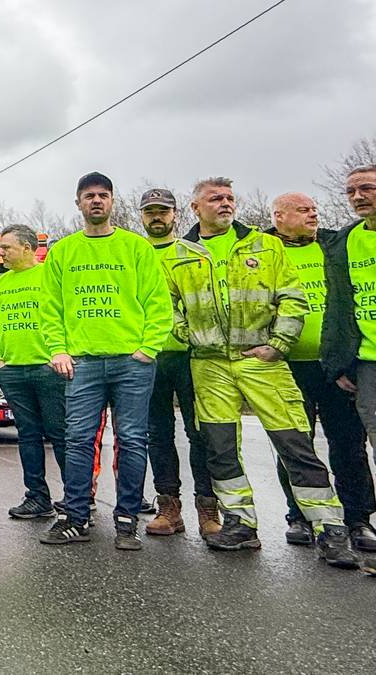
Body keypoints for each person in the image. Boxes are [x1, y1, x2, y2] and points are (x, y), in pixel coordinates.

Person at [163, 177, 356, 568]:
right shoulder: (178, 254)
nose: (225, 203)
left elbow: (292, 298)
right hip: (209, 364)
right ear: (196, 207)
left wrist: (278, 345)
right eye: (215, 198)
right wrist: (192, 336)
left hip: (262, 360)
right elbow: (169, 306)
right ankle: (241, 523)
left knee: (294, 443)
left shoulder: (264, 245)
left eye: (230, 198)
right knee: (219, 448)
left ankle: (331, 530)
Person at [38, 171, 170, 551]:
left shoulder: (136, 248)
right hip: (83, 363)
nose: (97, 201)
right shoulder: (63, 252)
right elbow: (51, 308)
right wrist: (58, 350)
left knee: (131, 439)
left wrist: (147, 348)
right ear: (78, 203)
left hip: (132, 362)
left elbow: (157, 304)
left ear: (112, 202)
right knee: (78, 440)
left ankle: (127, 521)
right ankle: (76, 518)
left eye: (103, 195)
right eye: (89, 195)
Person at [269, 193, 376, 552]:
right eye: (303, 210)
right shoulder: (265, 251)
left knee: (348, 444)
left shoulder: (335, 245)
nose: (313, 213)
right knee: (295, 445)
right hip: (286, 365)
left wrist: (347, 358)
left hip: (336, 365)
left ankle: (358, 519)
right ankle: (300, 516)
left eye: (314, 208)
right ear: (279, 217)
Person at [137, 188, 219, 538]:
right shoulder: (133, 253)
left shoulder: (194, 252)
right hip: (148, 356)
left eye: (163, 211)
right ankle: (168, 506)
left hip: (191, 355)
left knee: (199, 432)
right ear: (142, 216)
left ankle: (208, 508)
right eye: (150, 211)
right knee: (157, 434)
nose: (157, 216)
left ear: (175, 215)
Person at [0, 224, 66, 519]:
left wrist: (57, 356)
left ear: (28, 248)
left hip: (48, 369)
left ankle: (76, 498)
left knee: (61, 435)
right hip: (13, 372)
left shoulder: (49, 276)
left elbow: (65, 316)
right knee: (28, 436)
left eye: (6, 247)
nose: (1, 252)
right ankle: (37, 498)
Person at [323, 165, 376, 449]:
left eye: (367, 188)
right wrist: (336, 363)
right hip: (369, 362)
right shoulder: (343, 242)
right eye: (351, 192)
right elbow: (338, 308)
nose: (357, 197)